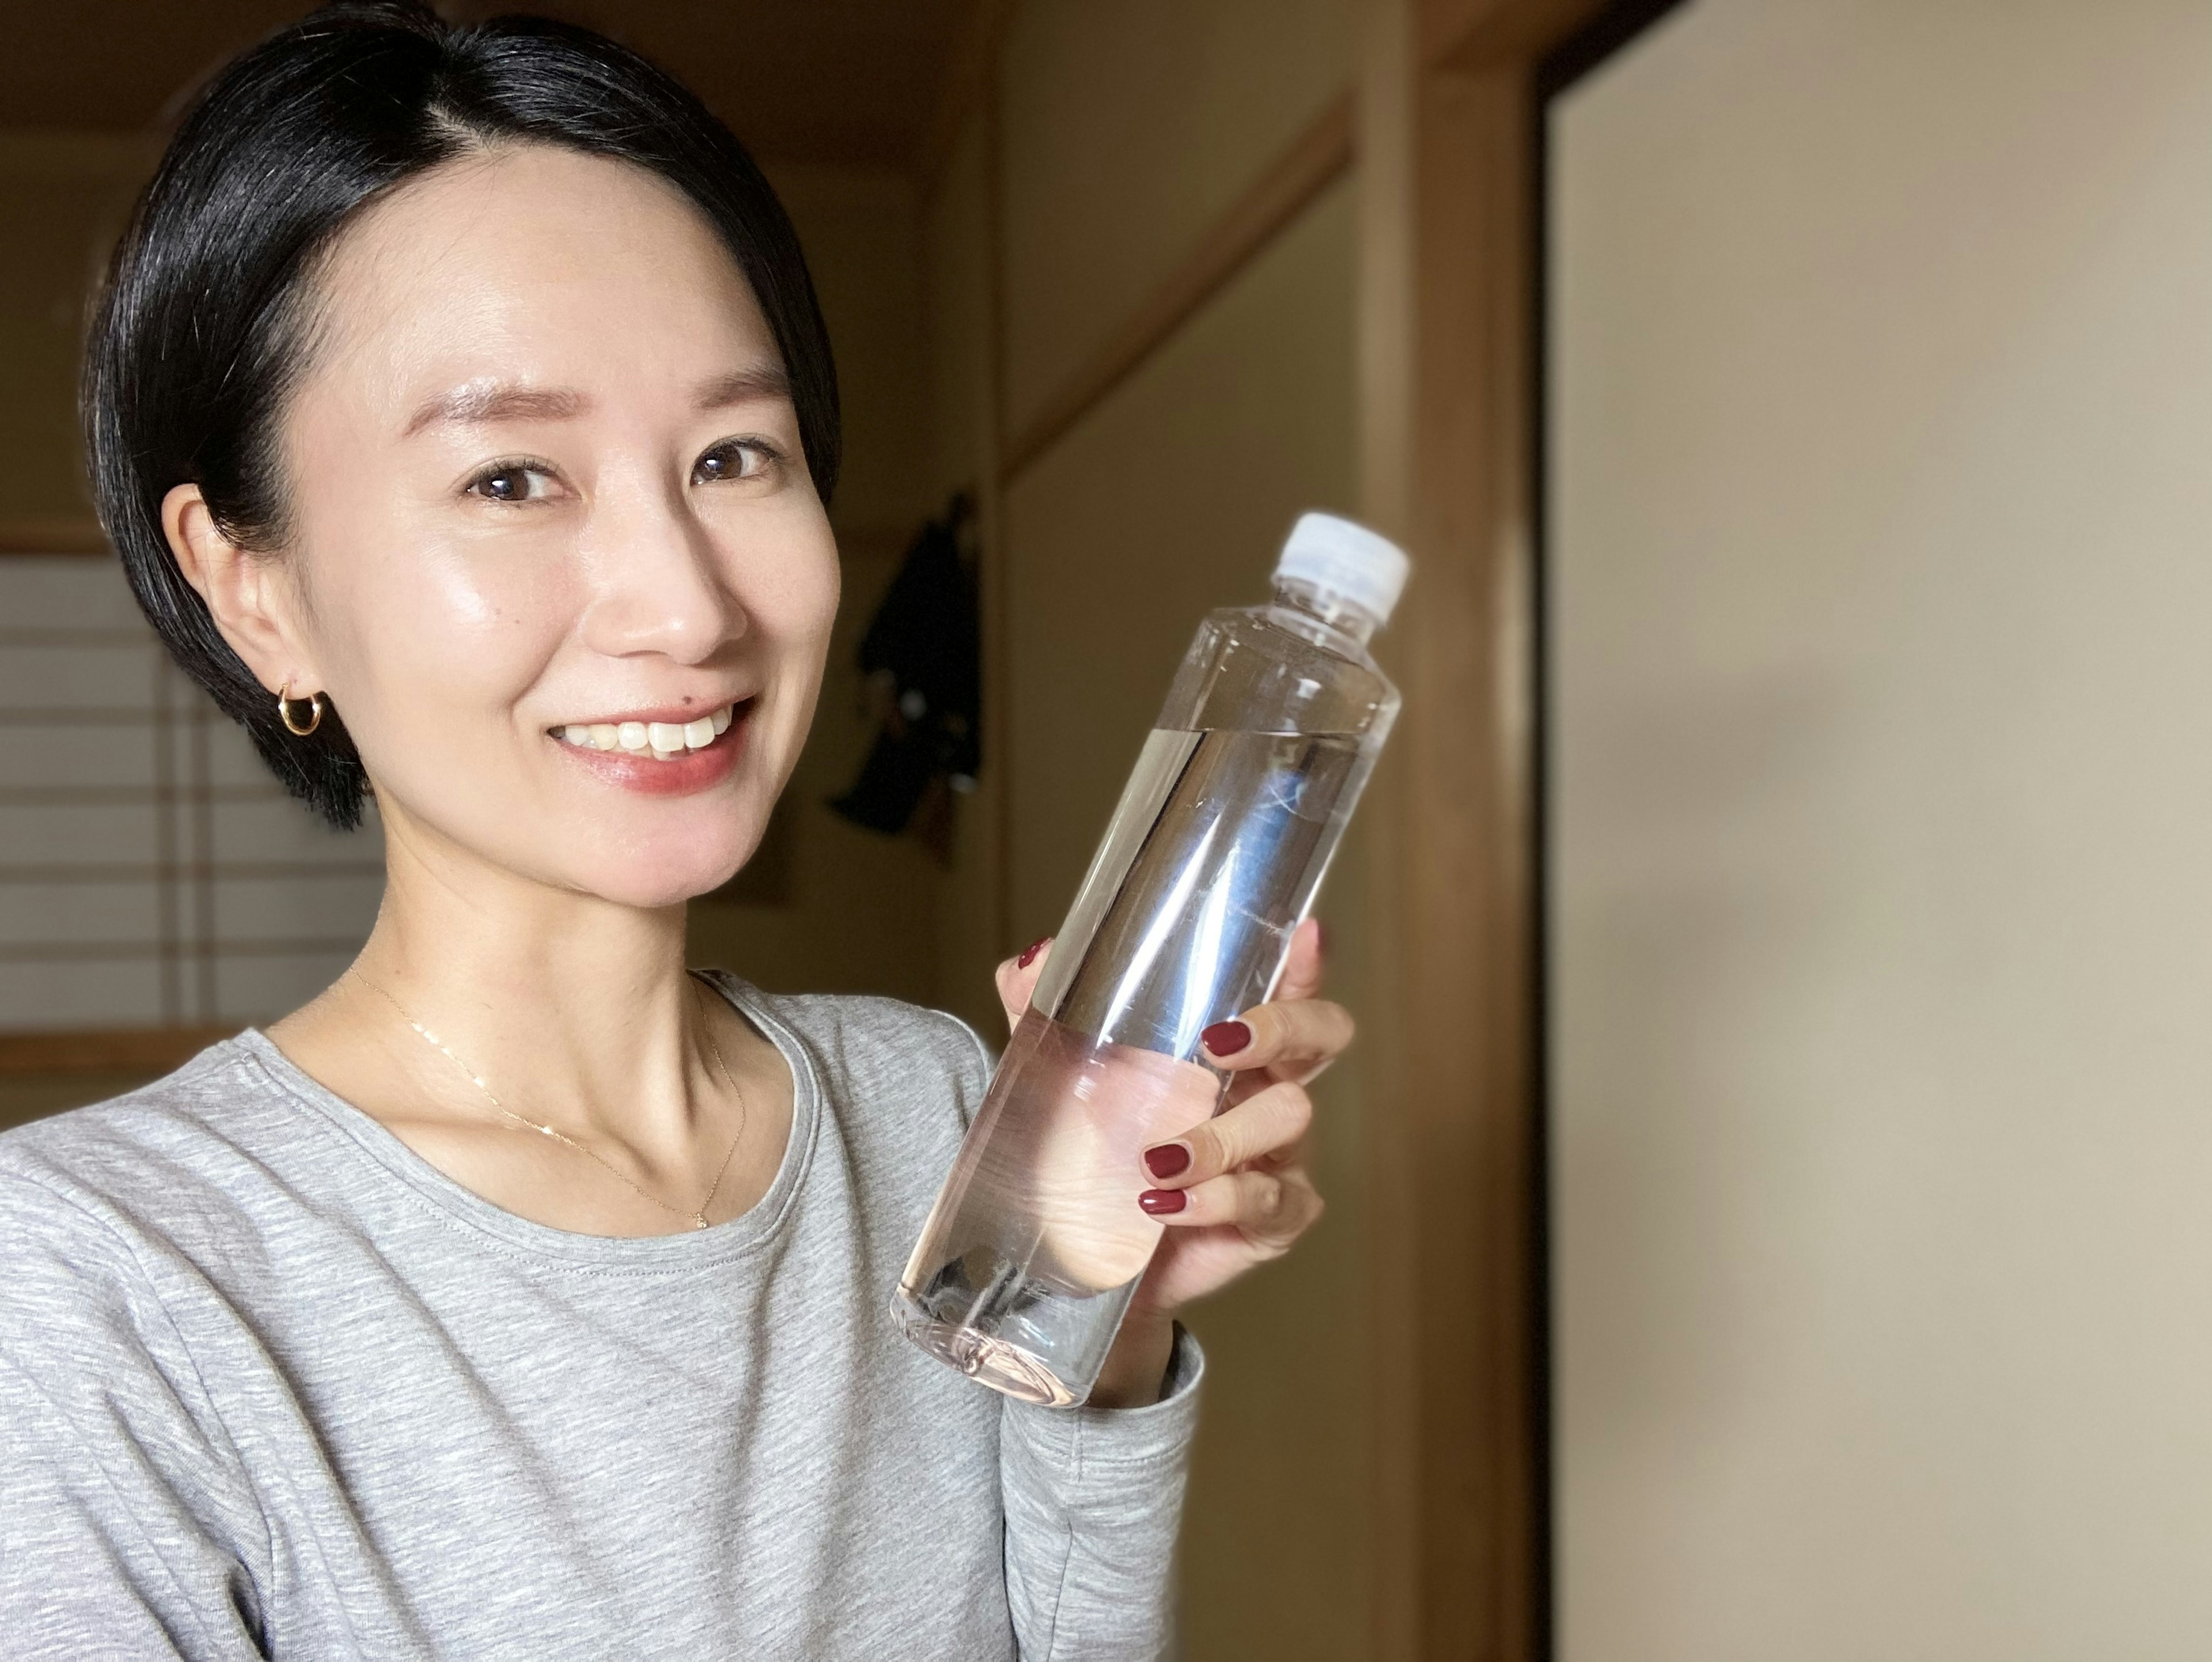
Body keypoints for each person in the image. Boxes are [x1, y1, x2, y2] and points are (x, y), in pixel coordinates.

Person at [0, 5, 1352, 1658]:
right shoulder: (90, 1282)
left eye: (733, 455)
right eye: (512, 478)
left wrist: (1100, 1334)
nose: (683, 602)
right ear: (253, 588)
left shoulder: (945, 1119)